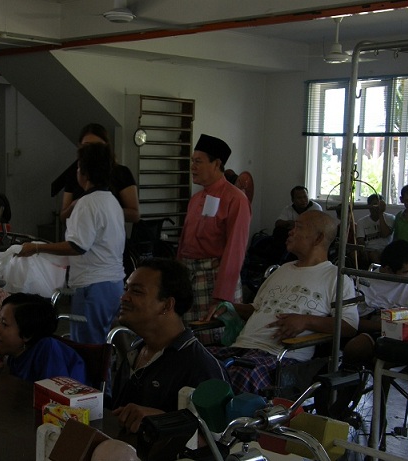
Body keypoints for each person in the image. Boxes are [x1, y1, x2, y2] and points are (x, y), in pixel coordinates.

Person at [208, 210, 359, 395]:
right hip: (242, 347)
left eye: (299, 227)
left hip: (280, 356)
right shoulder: (282, 270)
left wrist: (306, 321)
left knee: (237, 375)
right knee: (195, 360)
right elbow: (257, 309)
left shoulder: (336, 278)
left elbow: (350, 325)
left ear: (318, 238)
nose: (291, 231)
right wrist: (229, 307)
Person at [19, 143, 125, 344]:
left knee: (87, 348)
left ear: (85, 173)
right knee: (105, 344)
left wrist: (37, 248)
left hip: (92, 286)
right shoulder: (112, 201)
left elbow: (77, 246)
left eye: (78, 167)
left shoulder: (87, 203)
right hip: (114, 285)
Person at [111, 258, 228, 434]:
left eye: (136, 291)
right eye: (126, 289)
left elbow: (219, 440)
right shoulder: (135, 351)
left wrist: (164, 420)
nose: (124, 297)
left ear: (166, 305)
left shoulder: (202, 368)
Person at [177, 134, 251, 346]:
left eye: (198, 161)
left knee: (212, 342)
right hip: (189, 277)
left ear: (217, 164)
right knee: (187, 341)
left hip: (216, 280)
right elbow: (184, 243)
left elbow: (235, 251)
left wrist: (222, 297)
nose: (192, 167)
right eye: (192, 161)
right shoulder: (196, 198)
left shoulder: (236, 198)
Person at [343, 239, 408, 369]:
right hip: (378, 328)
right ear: (387, 269)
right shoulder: (365, 284)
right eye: (406, 272)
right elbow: (355, 321)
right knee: (357, 348)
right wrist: (385, 326)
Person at [0, 293, 87, 384]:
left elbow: (52, 392)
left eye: (4, 324)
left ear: (28, 334)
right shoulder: (15, 354)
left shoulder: (47, 350)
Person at [61, 123, 140, 223]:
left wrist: (104, 208)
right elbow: (63, 217)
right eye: (87, 146)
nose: (92, 151)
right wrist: (76, 205)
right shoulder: (74, 174)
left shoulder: (121, 173)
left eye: (97, 146)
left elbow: (135, 215)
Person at [380, 184, 408, 260]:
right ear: (401, 199)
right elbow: (395, 239)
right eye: (407, 200)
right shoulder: (399, 216)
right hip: (400, 259)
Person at [355, 194, 395, 267]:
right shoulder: (361, 222)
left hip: (387, 250)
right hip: (370, 250)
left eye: (380, 204)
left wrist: (380, 214)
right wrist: (364, 251)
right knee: (372, 255)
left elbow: (385, 234)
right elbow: (360, 240)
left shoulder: (391, 218)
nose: (377, 207)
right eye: (375, 204)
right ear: (369, 206)